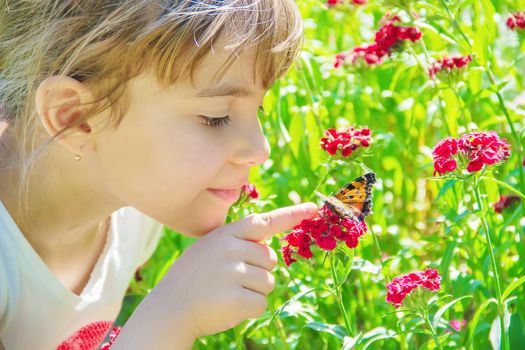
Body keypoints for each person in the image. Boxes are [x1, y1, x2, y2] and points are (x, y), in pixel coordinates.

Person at [0, 1, 319, 349]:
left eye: (258, 108)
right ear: (75, 117)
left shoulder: (133, 214)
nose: (260, 149)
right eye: (216, 117)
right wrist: (171, 317)